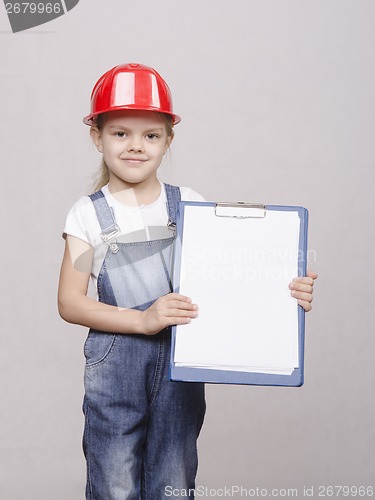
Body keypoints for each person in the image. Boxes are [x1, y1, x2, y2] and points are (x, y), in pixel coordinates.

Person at [58, 63, 317, 500]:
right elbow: (69, 301)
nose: (136, 146)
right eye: (121, 133)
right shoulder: (87, 215)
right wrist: (141, 321)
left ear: (168, 140)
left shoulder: (191, 207)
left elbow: (230, 277)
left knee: (174, 477)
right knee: (114, 479)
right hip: (116, 365)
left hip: (181, 367)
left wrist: (284, 291)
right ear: (97, 137)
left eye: (151, 135)